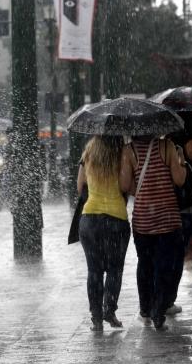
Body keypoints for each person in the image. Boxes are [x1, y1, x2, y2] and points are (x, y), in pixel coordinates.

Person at [120, 135, 186, 330]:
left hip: (143, 221)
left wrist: (142, 190)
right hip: (167, 218)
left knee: (145, 264)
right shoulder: (167, 146)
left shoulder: (129, 151)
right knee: (165, 266)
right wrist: (181, 160)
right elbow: (179, 179)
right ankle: (159, 310)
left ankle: (146, 308)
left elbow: (124, 185)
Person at [76, 135, 133, 331]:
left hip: (89, 219)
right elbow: (125, 185)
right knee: (114, 270)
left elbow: (79, 185)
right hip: (115, 219)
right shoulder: (122, 152)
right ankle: (109, 311)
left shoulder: (89, 151)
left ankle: (96, 318)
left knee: (94, 270)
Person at [166, 113, 192, 316]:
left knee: (166, 254)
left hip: (169, 204)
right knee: (179, 255)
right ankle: (169, 298)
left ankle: (160, 296)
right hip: (187, 205)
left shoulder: (168, 144)